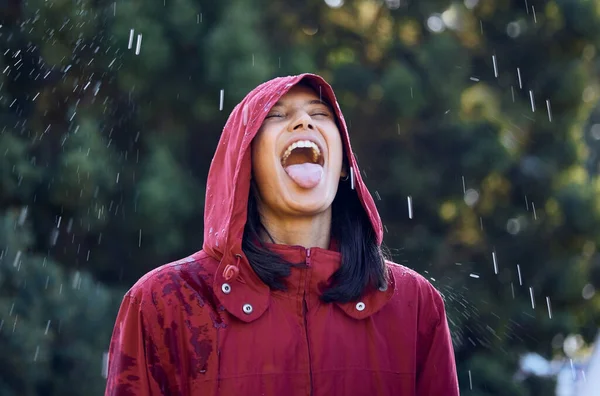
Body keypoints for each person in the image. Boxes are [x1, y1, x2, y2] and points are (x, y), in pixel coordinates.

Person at [104, 73, 460, 395]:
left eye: (320, 114)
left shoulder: (413, 304)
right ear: (247, 164)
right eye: (276, 115)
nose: (304, 121)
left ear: (341, 166)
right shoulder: (164, 302)